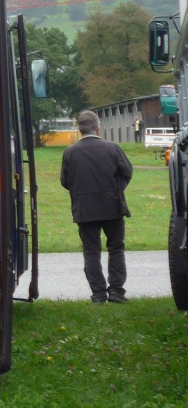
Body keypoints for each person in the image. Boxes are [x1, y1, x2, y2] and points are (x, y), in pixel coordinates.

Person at [60, 110, 134, 303]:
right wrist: (118, 189)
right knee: (116, 248)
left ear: (79, 128)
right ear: (97, 127)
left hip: (85, 209)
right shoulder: (112, 148)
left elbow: (65, 181)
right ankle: (117, 291)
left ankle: (98, 294)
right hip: (112, 206)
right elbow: (127, 171)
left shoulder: (69, 153)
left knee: (91, 251)